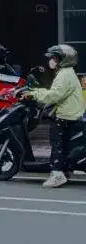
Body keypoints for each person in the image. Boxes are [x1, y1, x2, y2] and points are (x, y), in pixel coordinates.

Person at [26, 45, 85, 188]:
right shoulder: (67, 72)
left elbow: (54, 95)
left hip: (65, 115)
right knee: (64, 146)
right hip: (71, 113)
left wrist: (33, 93)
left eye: (54, 58)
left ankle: (57, 173)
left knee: (57, 145)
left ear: (63, 60)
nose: (51, 61)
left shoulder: (64, 74)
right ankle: (64, 170)